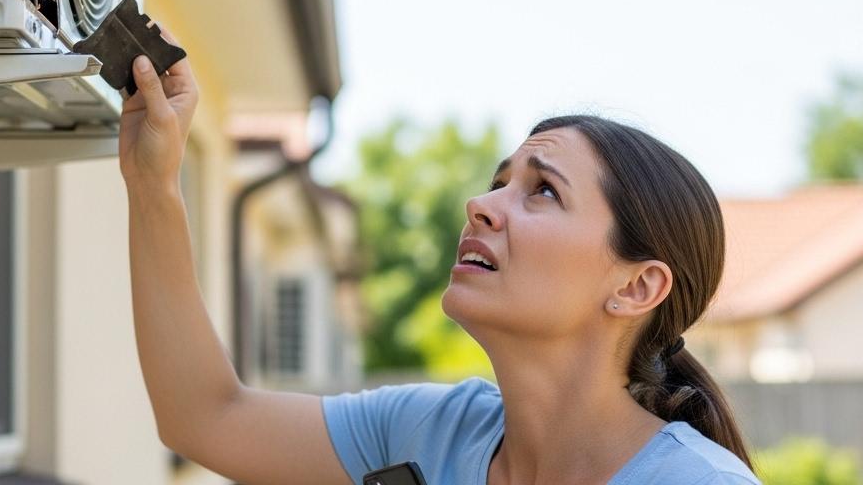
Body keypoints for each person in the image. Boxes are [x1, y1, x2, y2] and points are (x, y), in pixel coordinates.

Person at [120, 33, 761, 484]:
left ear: (636, 287)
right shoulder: (429, 432)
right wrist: (153, 183)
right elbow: (207, 418)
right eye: (499, 182)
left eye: (543, 191)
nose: (480, 205)